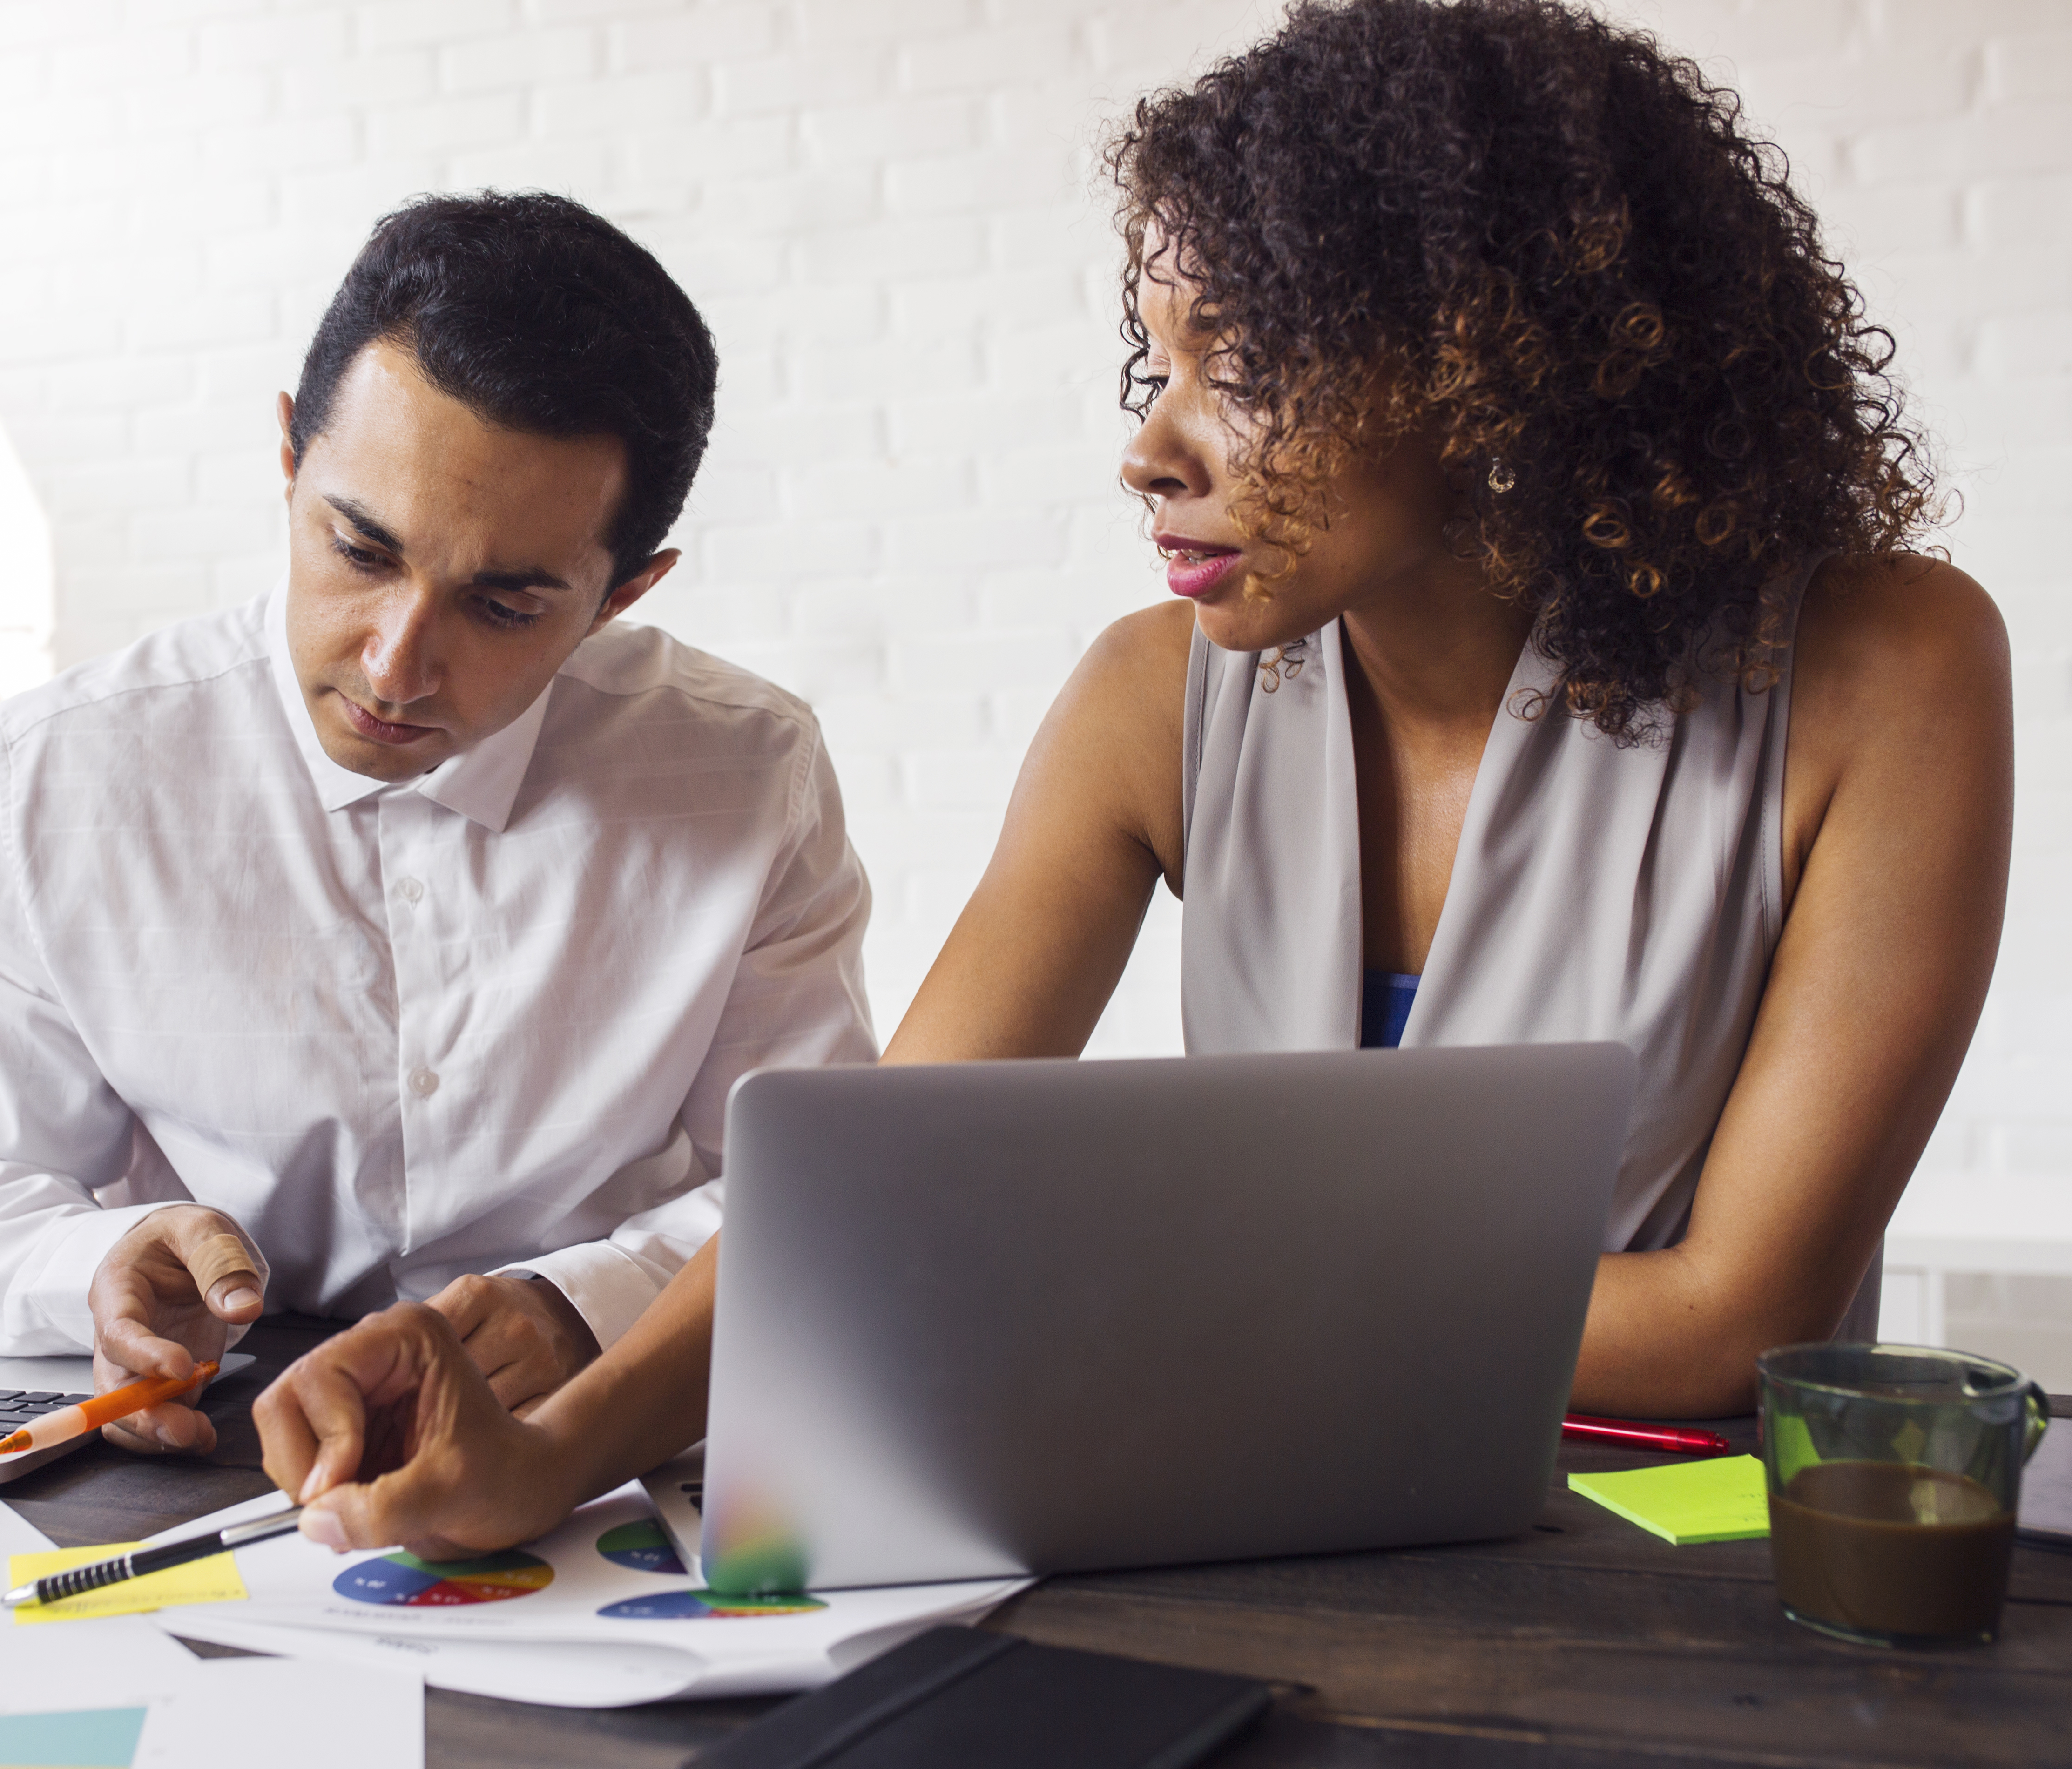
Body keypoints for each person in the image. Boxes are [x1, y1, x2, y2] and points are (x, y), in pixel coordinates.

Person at [244, 0, 2012, 1561]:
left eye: (1236, 365)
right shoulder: (1150, 696)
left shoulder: (1887, 670)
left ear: (1492, 366)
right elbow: (871, 1181)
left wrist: (1120, 1282)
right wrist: (557, 1453)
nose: (1147, 448)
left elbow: (1728, 1321)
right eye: (1155, 358)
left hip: (1658, 1576)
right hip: (1240, 1525)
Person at [0, 192, 874, 1455]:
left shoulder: (747, 770)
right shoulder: (56, 778)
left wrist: (585, 1306)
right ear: (291, 461)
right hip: (201, 1433)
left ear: (623, 593)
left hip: (595, 1427)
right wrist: (93, 1261)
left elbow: (813, 1186)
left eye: (503, 607)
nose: (395, 666)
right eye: (359, 549)